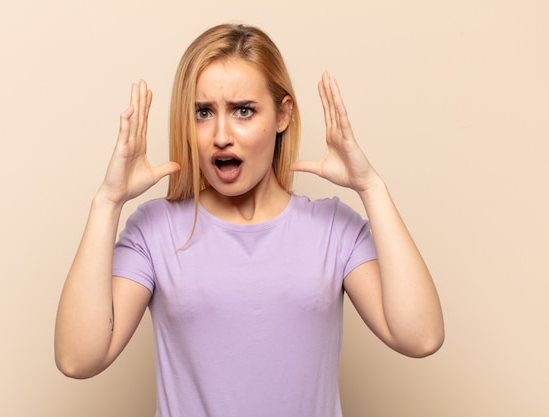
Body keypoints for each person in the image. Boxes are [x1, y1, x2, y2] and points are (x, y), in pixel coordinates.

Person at [54, 23, 444, 417]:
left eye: (243, 110)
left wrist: (370, 187)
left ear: (282, 115)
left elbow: (421, 336)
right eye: (203, 112)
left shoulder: (331, 227)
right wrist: (108, 201)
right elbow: (77, 359)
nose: (221, 135)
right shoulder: (155, 229)